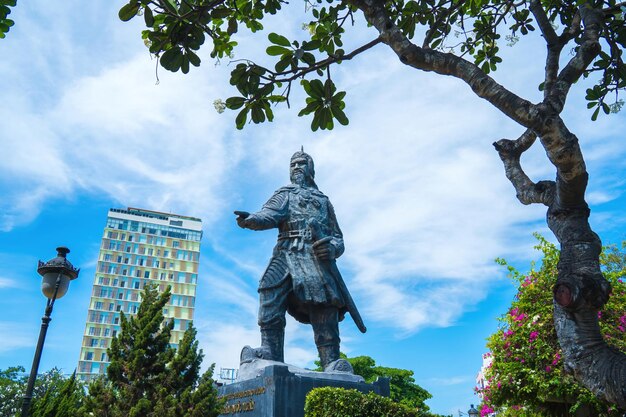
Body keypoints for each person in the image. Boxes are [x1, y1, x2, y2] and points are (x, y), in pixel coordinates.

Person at [235, 149, 363, 372]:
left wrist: (332, 247)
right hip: (286, 252)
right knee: (269, 290)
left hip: (315, 256)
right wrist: (251, 220)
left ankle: (331, 358)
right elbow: (268, 214)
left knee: (325, 302)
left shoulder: (323, 201)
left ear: (311, 169)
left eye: (301, 163)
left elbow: (338, 237)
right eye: (292, 164)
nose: (296, 167)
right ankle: (270, 349)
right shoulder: (285, 194)